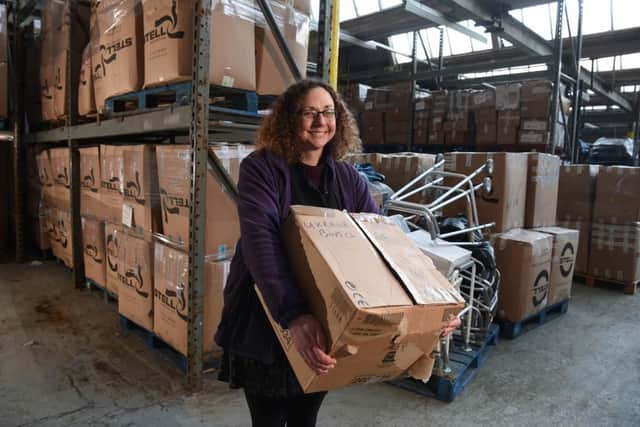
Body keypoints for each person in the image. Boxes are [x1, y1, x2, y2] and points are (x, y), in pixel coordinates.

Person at [215, 79, 460, 427]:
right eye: (309, 113)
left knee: (306, 415)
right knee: (268, 417)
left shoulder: (349, 179)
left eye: (328, 112)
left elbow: (382, 244)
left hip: (327, 317)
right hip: (269, 315)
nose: (320, 122)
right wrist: (295, 316)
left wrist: (431, 306)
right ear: (288, 118)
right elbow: (261, 242)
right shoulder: (262, 168)